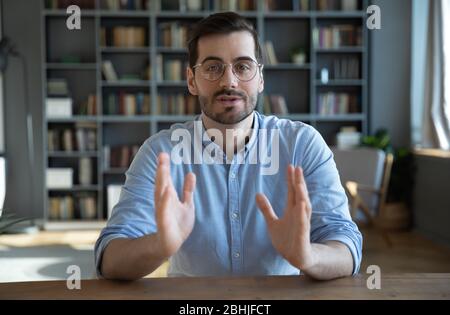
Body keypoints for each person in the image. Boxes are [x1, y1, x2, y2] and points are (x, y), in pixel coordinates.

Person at [94, 12, 362, 281]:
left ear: (260, 78)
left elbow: (347, 247)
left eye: (243, 67)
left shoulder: (302, 144)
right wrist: (159, 246)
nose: (229, 81)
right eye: (213, 67)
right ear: (191, 80)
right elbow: (109, 257)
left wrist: (308, 256)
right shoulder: (160, 152)